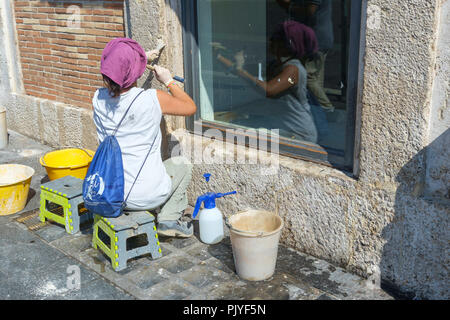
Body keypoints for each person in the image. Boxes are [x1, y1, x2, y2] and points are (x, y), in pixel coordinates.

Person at [92, 38, 197, 237]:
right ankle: (168, 219)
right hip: (148, 195)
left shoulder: (97, 99)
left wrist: (141, 57)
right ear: (136, 71)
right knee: (183, 165)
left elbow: (117, 73)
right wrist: (168, 80)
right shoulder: (152, 99)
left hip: (112, 193)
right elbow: (190, 107)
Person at [215, 21, 318, 143]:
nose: (271, 41)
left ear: (289, 44)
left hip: (298, 134)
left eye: (277, 39)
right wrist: (218, 56)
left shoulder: (293, 69)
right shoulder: (278, 65)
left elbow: (269, 90)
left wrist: (240, 70)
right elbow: (241, 73)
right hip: (282, 127)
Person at [277, 0, 335, 112]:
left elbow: (309, 11)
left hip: (316, 39)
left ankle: (326, 107)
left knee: (308, 75)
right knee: (316, 77)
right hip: (321, 38)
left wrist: (289, 5)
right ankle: (319, 110)